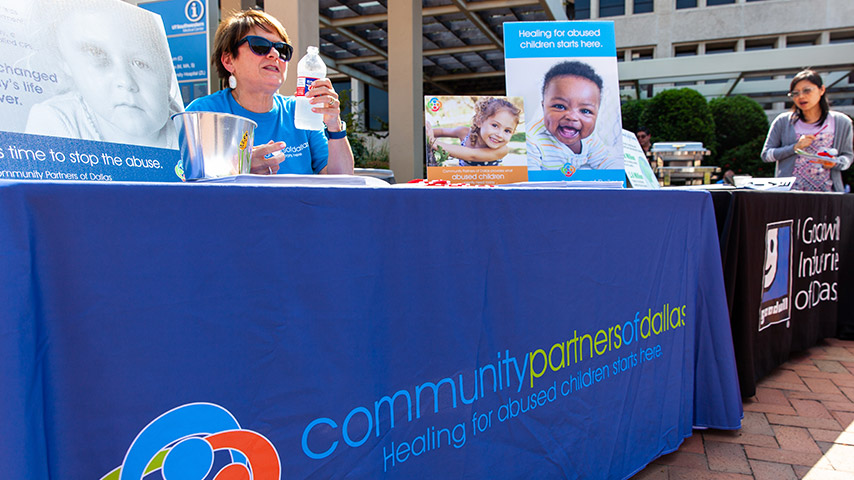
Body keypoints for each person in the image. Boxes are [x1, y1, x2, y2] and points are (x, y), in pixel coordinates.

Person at [185, 9, 354, 175]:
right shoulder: (203, 113)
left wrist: (334, 126)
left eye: (282, 50)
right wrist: (239, 169)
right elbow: (182, 182)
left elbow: (341, 179)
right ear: (229, 61)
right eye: (260, 46)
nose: (274, 54)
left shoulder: (301, 111)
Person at [25, 0, 181, 148]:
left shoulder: (186, 132)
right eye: (96, 53)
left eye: (140, 63)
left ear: (167, 74)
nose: (125, 81)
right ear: (65, 63)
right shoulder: (55, 120)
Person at [761, 69, 852, 192]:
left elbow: (848, 156)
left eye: (807, 90)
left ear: (822, 90)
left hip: (828, 194)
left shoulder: (842, 122)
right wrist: (794, 147)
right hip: (790, 195)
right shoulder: (783, 121)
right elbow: (766, 155)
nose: (801, 96)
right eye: (795, 93)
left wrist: (834, 162)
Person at [527, 61, 617, 171]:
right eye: (560, 106)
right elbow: (529, 179)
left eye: (585, 110)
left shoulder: (590, 139)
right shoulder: (532, 138)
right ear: (543, 107)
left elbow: (606, 162)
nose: (572, 117)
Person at [426, 97, 521, 166]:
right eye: (495, 125)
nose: (500, 135)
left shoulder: (502, 150)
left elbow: (472, 155)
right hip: (463, 185)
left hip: (488, 189)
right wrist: (426, 131)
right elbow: (441, 131)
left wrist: (433, 142)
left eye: (507, 131)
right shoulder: (464, 132)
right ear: (479, 121)